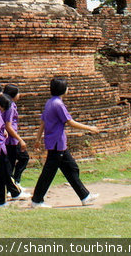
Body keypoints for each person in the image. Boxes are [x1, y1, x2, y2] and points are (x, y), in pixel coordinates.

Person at [31, 76, 100, 208]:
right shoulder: (58, 104)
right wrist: (89, 128)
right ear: (63, 89)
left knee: (71, 168)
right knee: (48, 173)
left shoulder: (49, 102)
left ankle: (85, 196)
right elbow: (69, 122)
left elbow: (43, 123)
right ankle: (37, 200)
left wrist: (38, 139)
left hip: (56, 143)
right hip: (56, 143)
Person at [3, 83, 30, 190]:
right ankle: (14, 184)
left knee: (11, 163)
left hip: (10, 139)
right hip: (11, 140)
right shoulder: (10, 106)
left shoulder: (9, 105)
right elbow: (8, 126)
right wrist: (20, 139)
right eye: (18, 93)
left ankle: (13, 184)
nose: (19, 95)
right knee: (22, 158)